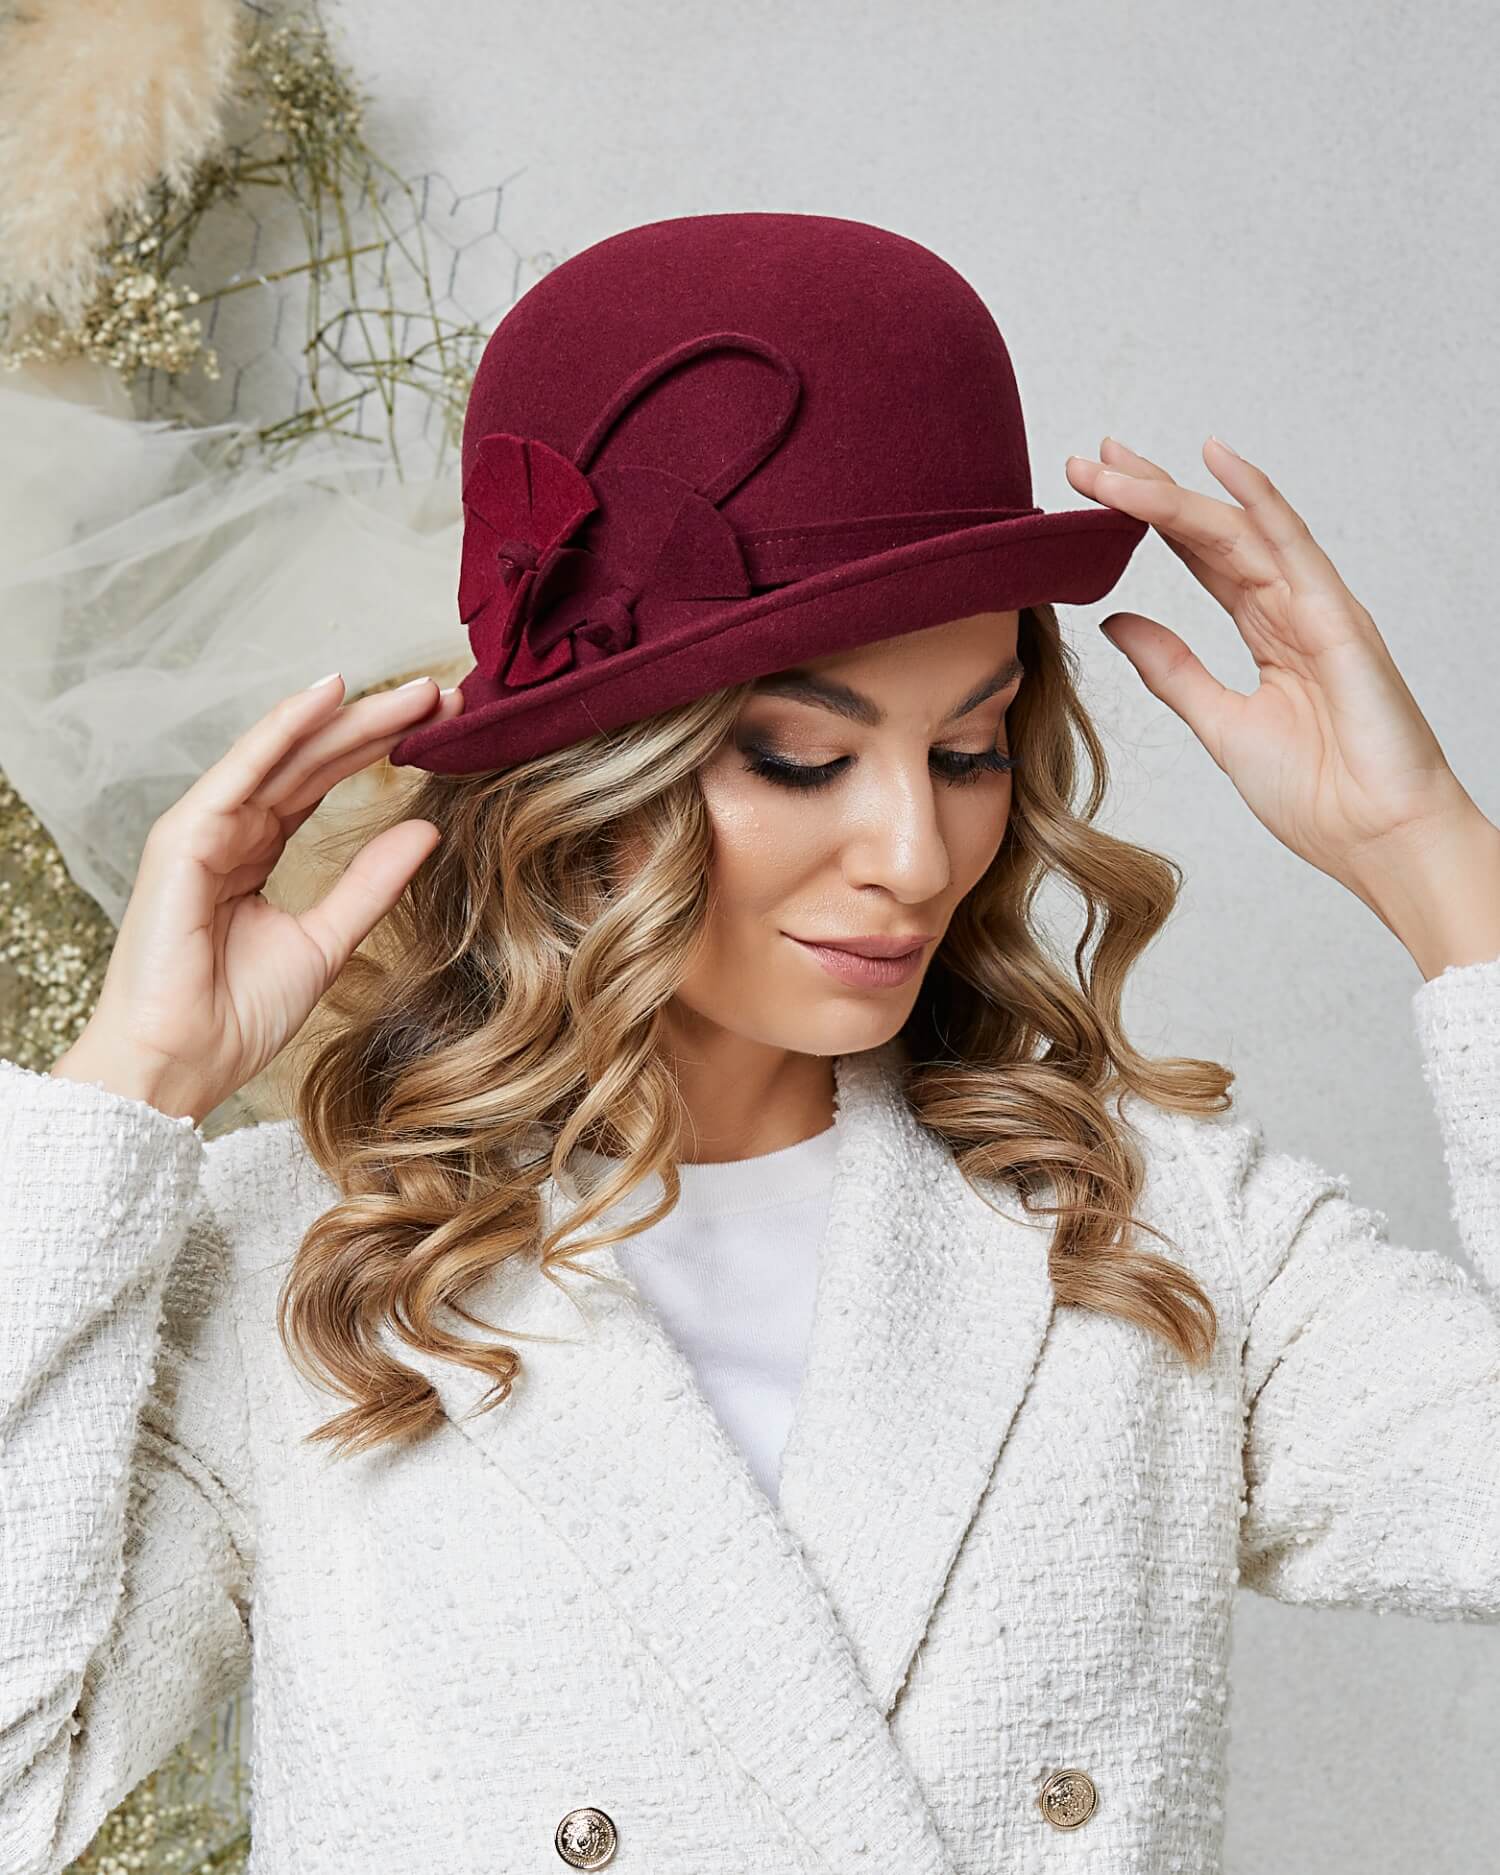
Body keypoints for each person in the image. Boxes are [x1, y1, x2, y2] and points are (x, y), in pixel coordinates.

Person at [2, 212, 1497, 1875]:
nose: (915, 856)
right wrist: (129, 1083)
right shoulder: (307, 1265)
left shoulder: (1145, 1223)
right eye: (799, 759)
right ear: (588, 779)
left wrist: (1435, 861)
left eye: (971, 751)